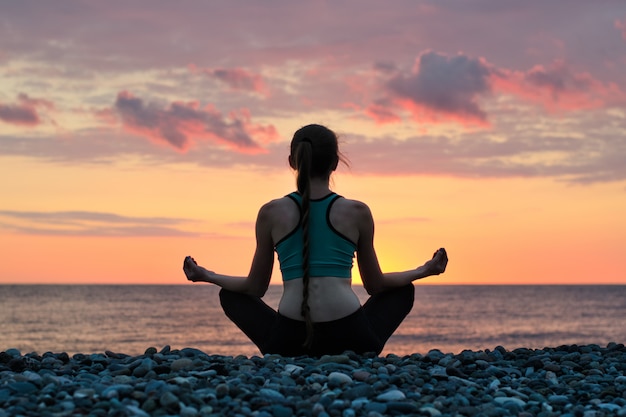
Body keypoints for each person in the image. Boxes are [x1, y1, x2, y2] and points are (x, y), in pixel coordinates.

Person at [183, 123, 448, 357]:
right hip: (352, 338)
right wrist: (424, 270)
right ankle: (364, 353)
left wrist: (206, 275)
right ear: (334, 163)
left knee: (231, 296)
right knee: (403, 289)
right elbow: (376, 285)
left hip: (287, 341)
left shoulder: (270, 212)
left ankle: (281, 355)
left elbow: (254, 288)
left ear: (292, 161)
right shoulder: (357, 212)